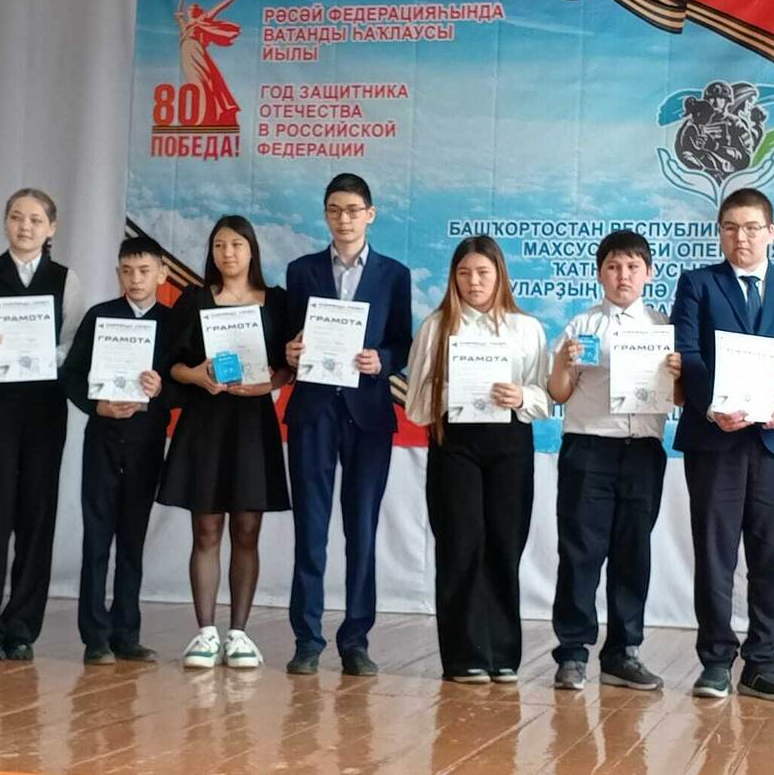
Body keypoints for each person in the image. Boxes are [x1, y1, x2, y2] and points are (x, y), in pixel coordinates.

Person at [670, 187, 774, 701]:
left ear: (771, 233)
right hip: (715, 439)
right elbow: (688, 353)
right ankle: (716, 660)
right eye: (731, 228)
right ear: (720, 233)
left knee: (773, 556)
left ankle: (762, 663)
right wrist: (711, 406)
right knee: (715, 554)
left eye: (753, 228)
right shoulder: (698, 284)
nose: (742, 237)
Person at [283, 172, 412, 676]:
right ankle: (307, 638)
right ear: (325, 215)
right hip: (313, 412)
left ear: (370, 215)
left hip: (368, 415)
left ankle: (356, 639)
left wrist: (383, 360)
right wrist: (290, 351)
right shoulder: (302, 271)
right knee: (310, 529)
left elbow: (401, 342)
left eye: (353, 210)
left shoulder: (394, 274)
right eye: (335, 210)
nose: (344, 219)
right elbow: (288, 338)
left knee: (362, 531)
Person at [405, 235, 548, 684]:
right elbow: (415, 405)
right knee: (460, 544)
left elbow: (544, 396)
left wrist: (521, 395)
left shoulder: (527, 328)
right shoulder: (436, 327)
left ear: (500, 275)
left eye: (483, 272)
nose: (474, 282)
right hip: (455, 445)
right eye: (464, 273)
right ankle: (463, 655)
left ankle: (503, 654)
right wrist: (452, 392)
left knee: (505, 545)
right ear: (453, 278)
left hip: (511, 445)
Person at [547, 230, 683, 691]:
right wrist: (564, 363)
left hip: (642, 451)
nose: (623, 275)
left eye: (632, 267)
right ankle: (572, 652)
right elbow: (558, 393)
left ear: (649, 273)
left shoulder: (664, 328)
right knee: (580, 553)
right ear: (600, 273)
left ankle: (624, 652)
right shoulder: (582, 326)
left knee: (632, 553)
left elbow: (680, 398)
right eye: (613, 267)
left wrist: (678, 374)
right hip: (590, 448)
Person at [0, 189, 83, 661]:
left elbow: (73, 345)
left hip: (45, 406)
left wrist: (45, 356)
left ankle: (22, 626)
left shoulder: (66, 280)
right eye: (15, 217)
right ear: (5, 222)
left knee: (37, 515)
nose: (25, 226)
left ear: (51, 228)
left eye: (35, 219)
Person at [159, 216, 290, 669]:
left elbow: (289, 364)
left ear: (252, 250)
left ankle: (239, 634)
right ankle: (205, 633)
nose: (227, 253)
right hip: (205, 425)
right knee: (206, 529)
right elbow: (171, 365)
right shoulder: (194, 300)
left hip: (253, 425)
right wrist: (198, 376)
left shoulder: (277, 301)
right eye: (219, 245)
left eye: (236, 244)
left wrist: (269, 384)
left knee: (247, 531)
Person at [62, 236, 181, 665]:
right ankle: (95, 636)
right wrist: (97, 405)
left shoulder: (173, 324)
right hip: (103, 438)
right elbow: (71, 375)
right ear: (118, 274)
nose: (135, 279)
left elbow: (185, 387)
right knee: (97, 538)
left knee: (133, 539)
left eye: (144, 271)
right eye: (127, 271)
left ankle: (127, 633)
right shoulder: (100, 316)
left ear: (162, 274)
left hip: (147, 442)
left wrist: (162, 389)